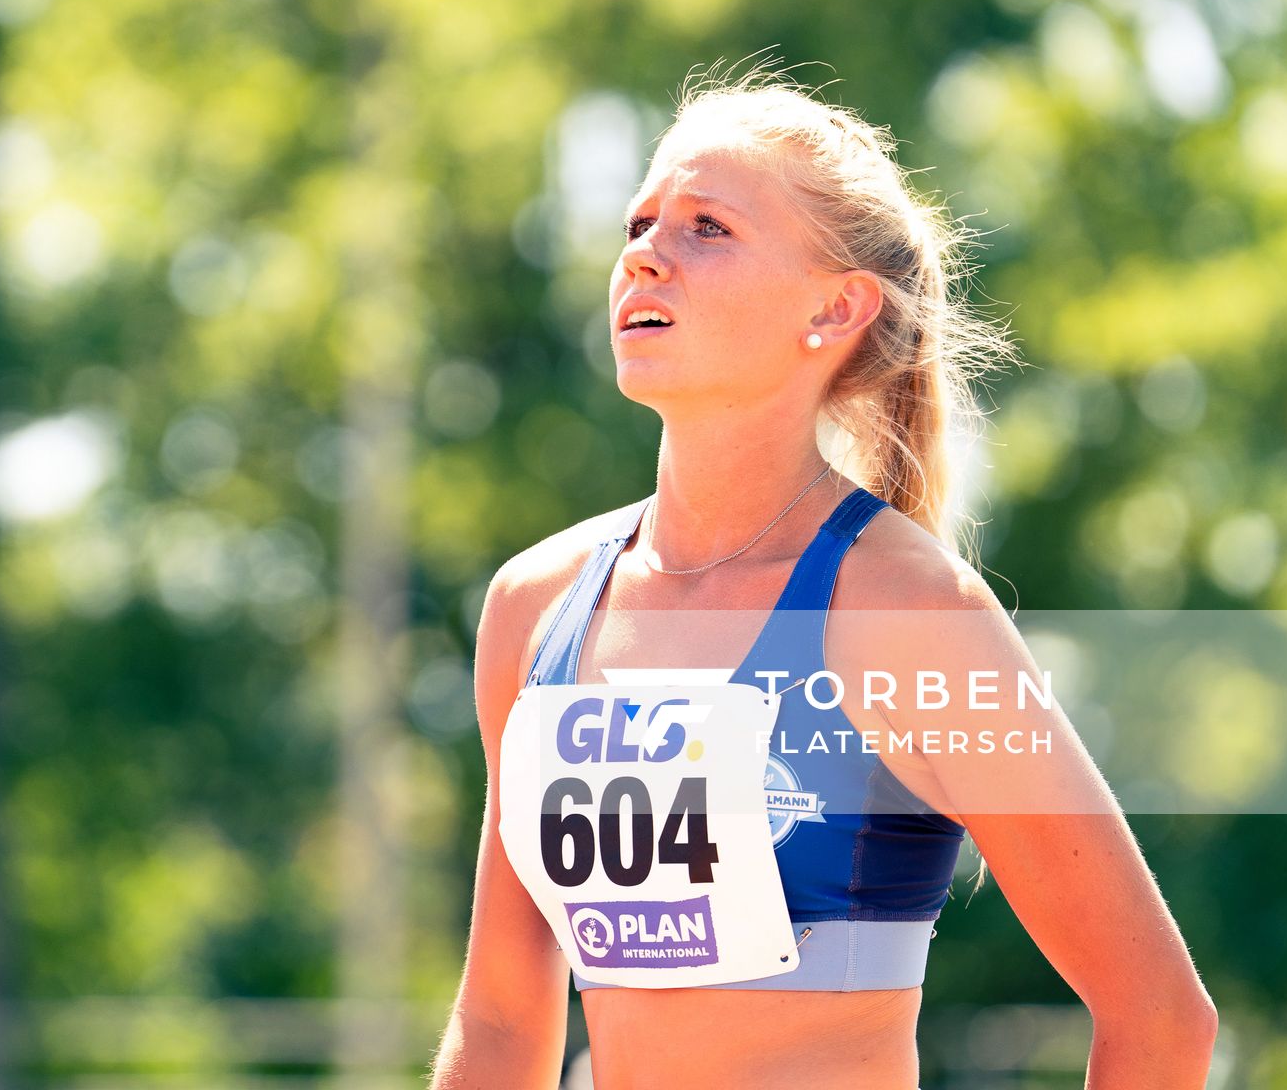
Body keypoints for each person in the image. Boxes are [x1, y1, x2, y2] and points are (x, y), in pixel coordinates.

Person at [429, 64, 1218, 1089]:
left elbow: (1160, 1017)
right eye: (638, 223)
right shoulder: (534, 608)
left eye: (706, 227)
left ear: (836, 308)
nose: (645, 258)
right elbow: (498, 1026)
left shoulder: (910, 612)